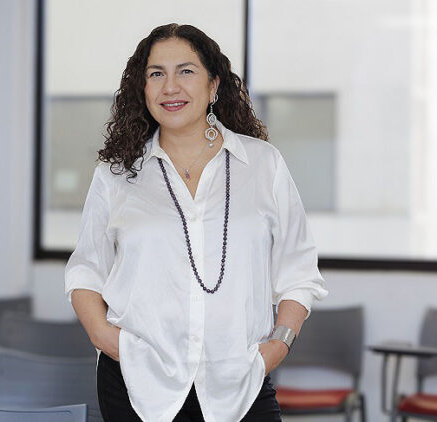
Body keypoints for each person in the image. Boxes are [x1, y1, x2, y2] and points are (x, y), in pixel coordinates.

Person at [65, 23, 328, 422]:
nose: (170, 87)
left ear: (213, 85)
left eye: (186, 71)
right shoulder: (116, 174)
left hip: (239, 382)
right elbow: (86, 270)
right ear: (143, 88)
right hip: (138, 382)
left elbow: (299, 271)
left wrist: (278, 345)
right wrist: (104, 337)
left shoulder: (263, 164)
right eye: (156, 74)